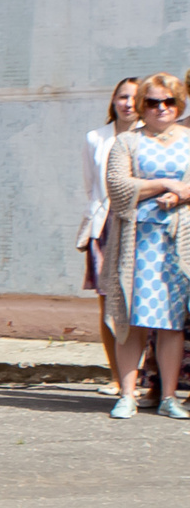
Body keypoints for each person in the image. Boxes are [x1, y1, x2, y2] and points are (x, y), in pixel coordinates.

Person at [108, 73, 190, 419]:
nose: (161, 109)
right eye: (153, 102)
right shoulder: (128, 142)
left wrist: (180, 192)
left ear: (178, 104)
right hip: (138, 240)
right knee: (133, 317)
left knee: (171, 321)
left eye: (168, 102)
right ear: (143, 105)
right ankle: (127, 394)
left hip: (178, 241)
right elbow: (117, 185)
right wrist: (162, 183)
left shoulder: (189, 139)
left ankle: (169, 396)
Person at [85, 79, 141, 404]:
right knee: (108, 302)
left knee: (140, 301)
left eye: (135, 98)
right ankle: (117, 377)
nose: (128, 103)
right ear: (113, 100)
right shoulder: (96, 138)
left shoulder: (151, 139)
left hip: (139, 224)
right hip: (104, 226)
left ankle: (141, 375)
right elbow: (91, 186)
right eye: (123, 96)